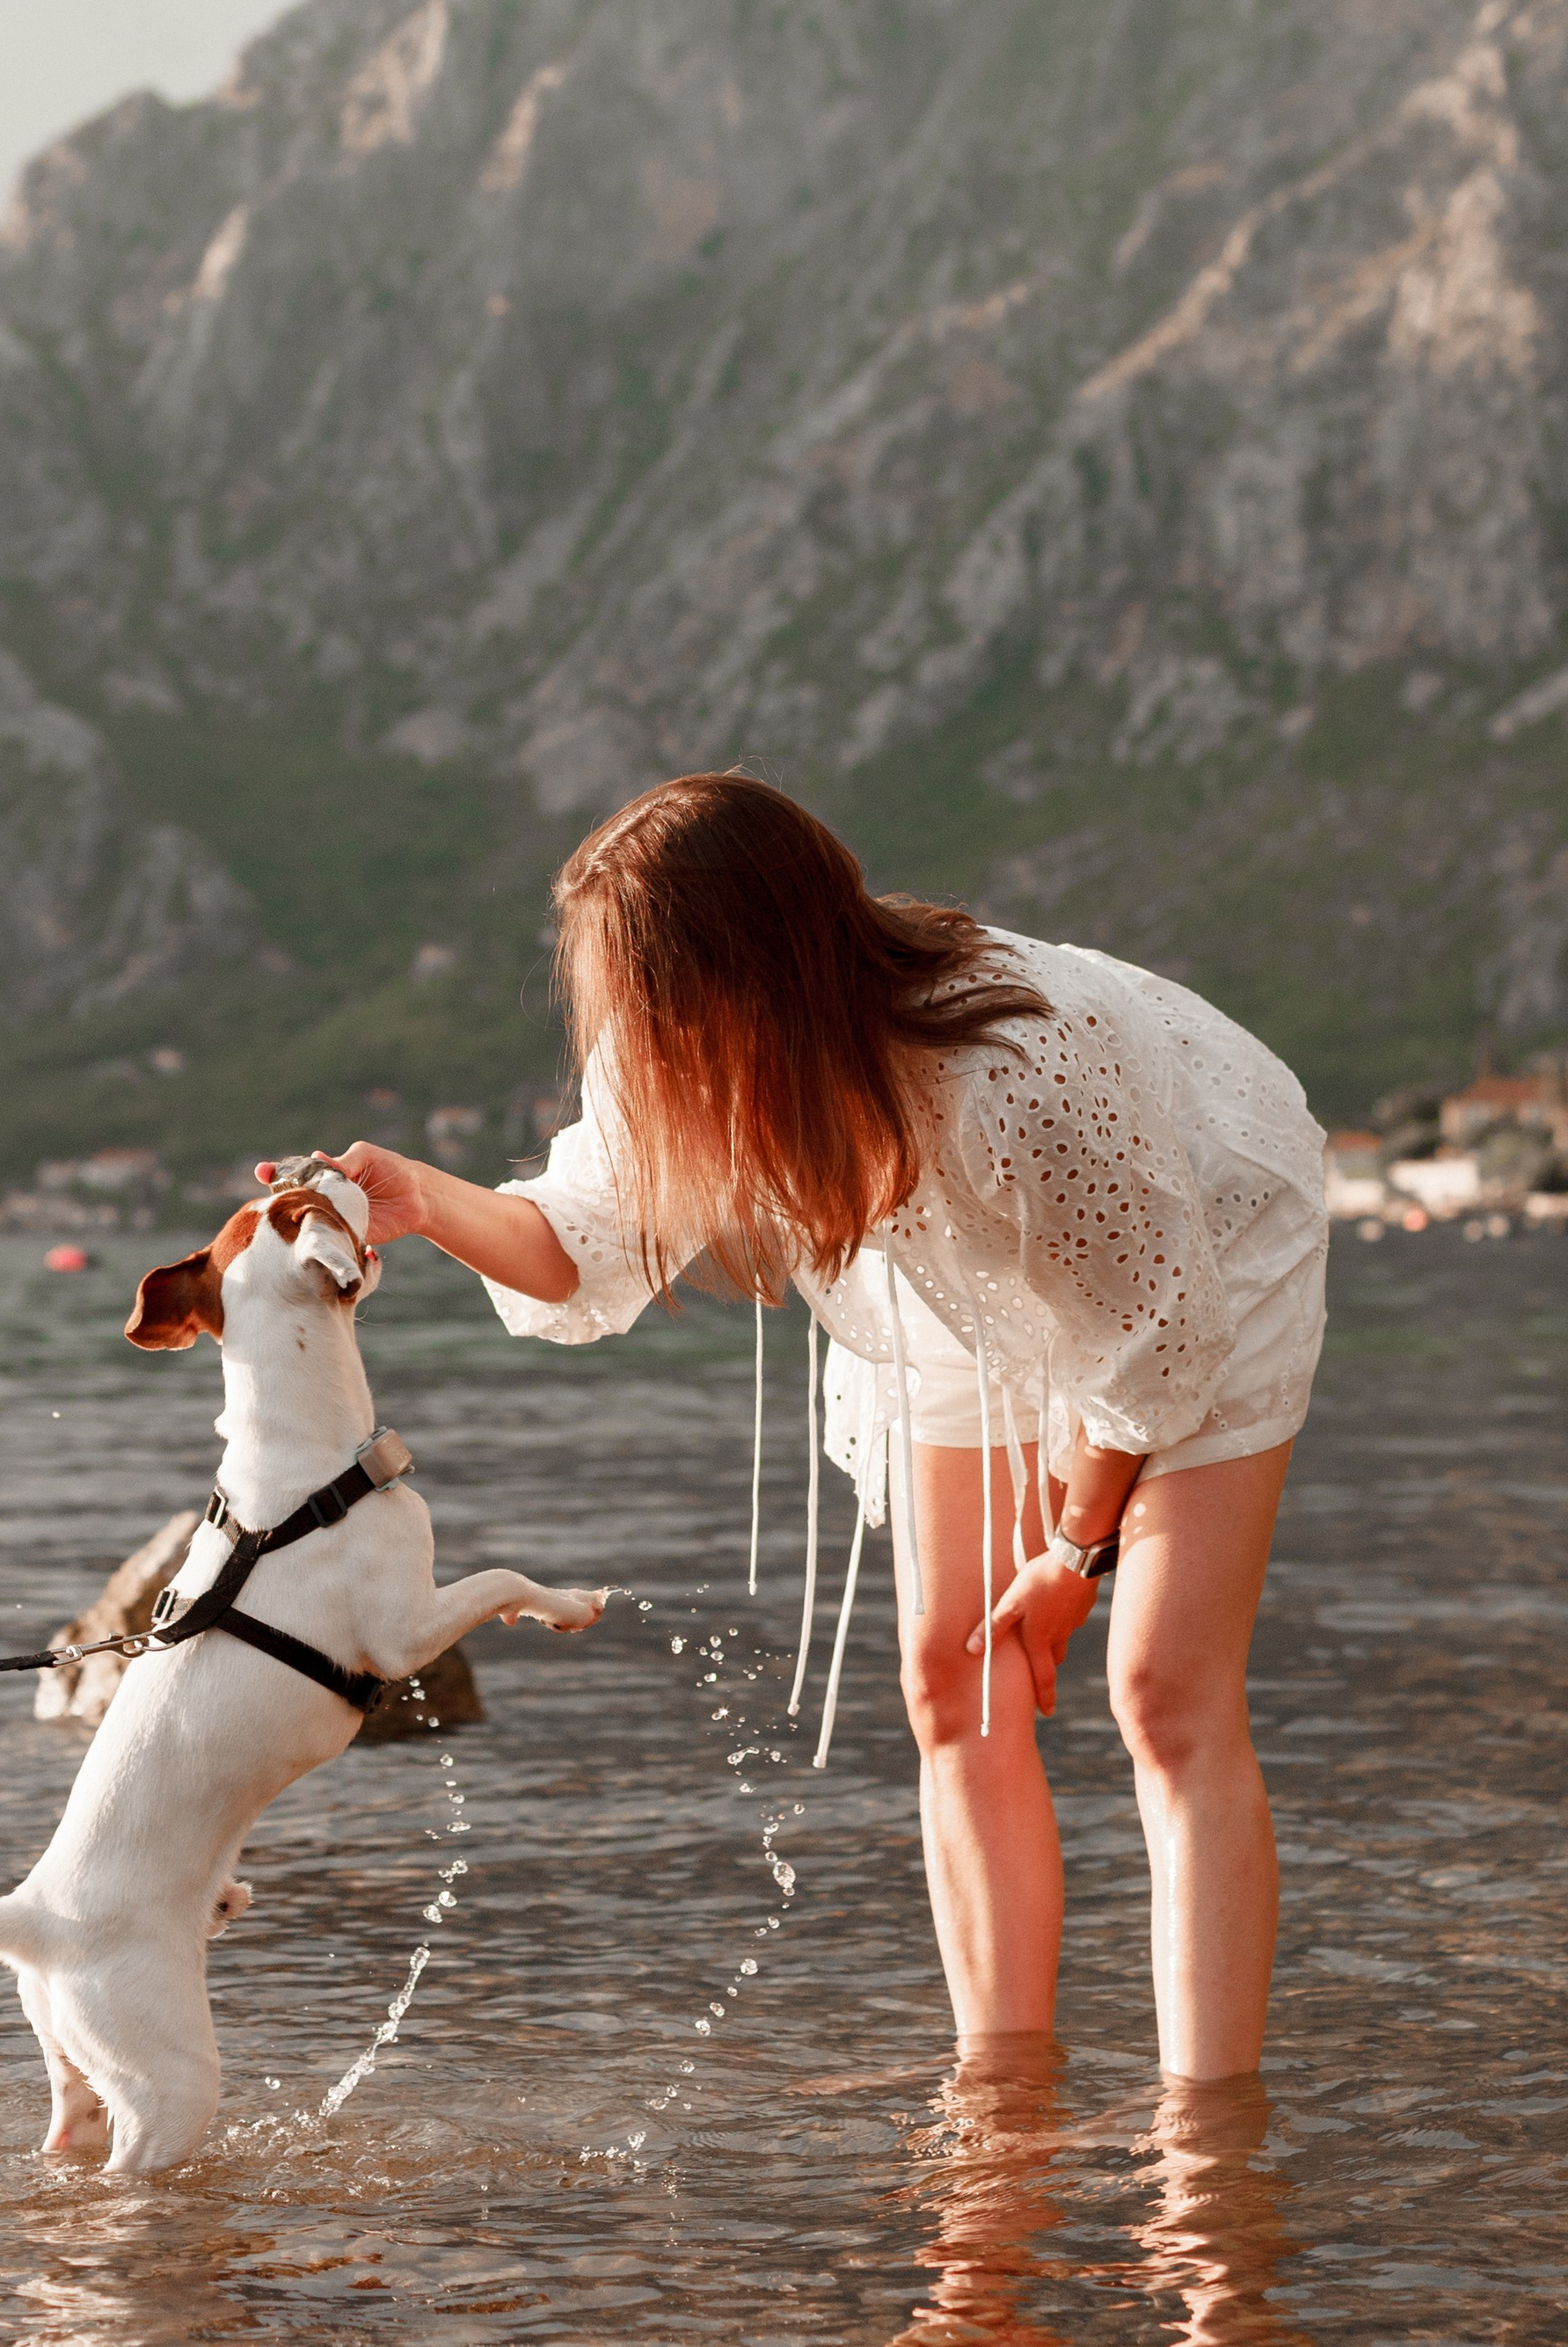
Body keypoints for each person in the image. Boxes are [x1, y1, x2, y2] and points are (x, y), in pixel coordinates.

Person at [288, 774, 1327, 2074]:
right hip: (965, 1267)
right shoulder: (679, 1053)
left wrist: (1073, 1555)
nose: (629, 1035)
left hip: (1201, 1237)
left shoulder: (1014, 1069)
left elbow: (1152, 1335)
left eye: (648, 998)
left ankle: (1207, 2142)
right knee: (954, 1677)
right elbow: (576, 1245)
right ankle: (1003, 2100)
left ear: (749, 974)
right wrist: (422, 1199)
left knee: (1162, 1693)